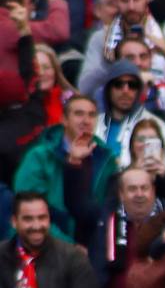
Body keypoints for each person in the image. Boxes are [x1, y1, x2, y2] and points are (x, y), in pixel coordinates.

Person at [13, 94, 117, 244]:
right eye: (79, 114)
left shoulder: (107, 158)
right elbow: (25, 208)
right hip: (46, 243)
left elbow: (109, 211)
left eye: (91, 115)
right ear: (64, 119)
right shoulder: (40, 157)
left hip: (94, 243)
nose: (86, 121)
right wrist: (68, 248)